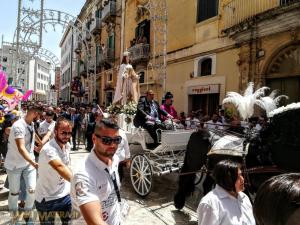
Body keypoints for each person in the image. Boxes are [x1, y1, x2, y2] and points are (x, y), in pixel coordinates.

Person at [71, 119, 123, 225]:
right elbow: (95, 222)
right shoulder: (83, 176)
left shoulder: (114, 159)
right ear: (94, 138)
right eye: (106, 140)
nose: (113, 145)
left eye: (117, 140)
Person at [4, 105, 42, 223]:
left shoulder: (30, 123)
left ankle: (27, 213)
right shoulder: (18, 126)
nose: (40, 118)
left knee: (32, 190)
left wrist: (39, 144)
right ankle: (14, 217)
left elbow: (32, 134)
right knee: (14, 193)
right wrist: (34, 162)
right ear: (34, 113)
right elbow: (21, 148)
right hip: (14, 164)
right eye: (39, 115)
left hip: (28, 164)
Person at [35, 117, 73, 225]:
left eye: (69, 133)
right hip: (46, 198)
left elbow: (67, 166)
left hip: (65, 195)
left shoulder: (67, 145)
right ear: (55, 132)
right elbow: (59, 167)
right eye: (63, 133)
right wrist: (78, 182)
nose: (66, 136)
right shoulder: (48, 149)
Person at [197, 160, 255, 225]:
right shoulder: (210, 203)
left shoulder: (244, 198)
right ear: (227, 180)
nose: (242, 179)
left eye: (241, 175)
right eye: (238, 177)